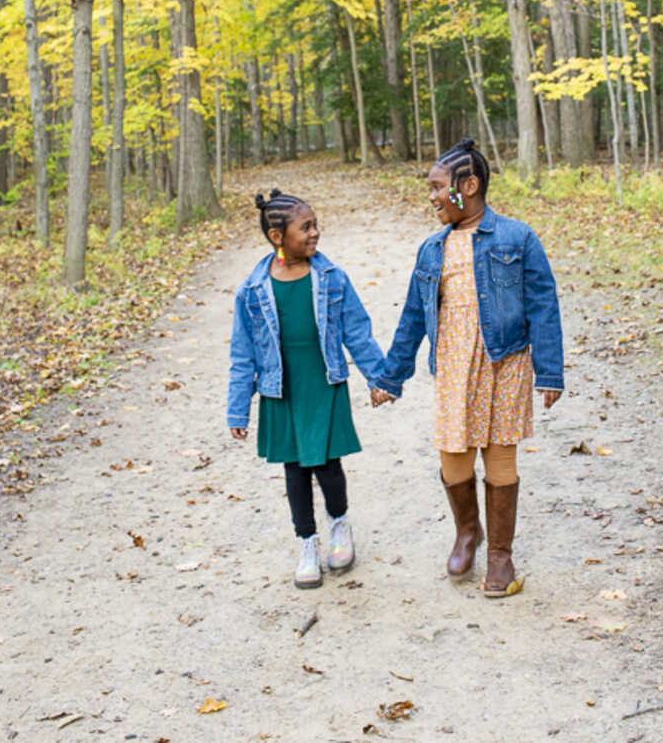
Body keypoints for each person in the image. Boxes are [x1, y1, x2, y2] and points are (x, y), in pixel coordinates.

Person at [371, 139, 563, 598]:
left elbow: (543, 304)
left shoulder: (517, 237)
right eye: (431, 189)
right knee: (453, 457)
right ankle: (467, 531)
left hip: (506, 363)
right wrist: (390, 377)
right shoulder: (432, 250)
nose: (432, 197)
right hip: (455, 367)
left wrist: (550, 371)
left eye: (439, 188)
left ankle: (500, 554)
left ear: (469, 185)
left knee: (500, 455)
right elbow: (413, 319)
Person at [227, 188, 386, 589]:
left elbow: (357, 330)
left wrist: (377, 378)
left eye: (315, 225)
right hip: (282, 389)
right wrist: (237, 409)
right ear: (278, 237)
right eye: (306, 227)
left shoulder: (331, 278)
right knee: (295, 469)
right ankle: (307, 543)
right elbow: (243, 354)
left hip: (322, 380)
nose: (315, 233)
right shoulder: (252, 290)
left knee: (328, 464)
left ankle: (339, 525)